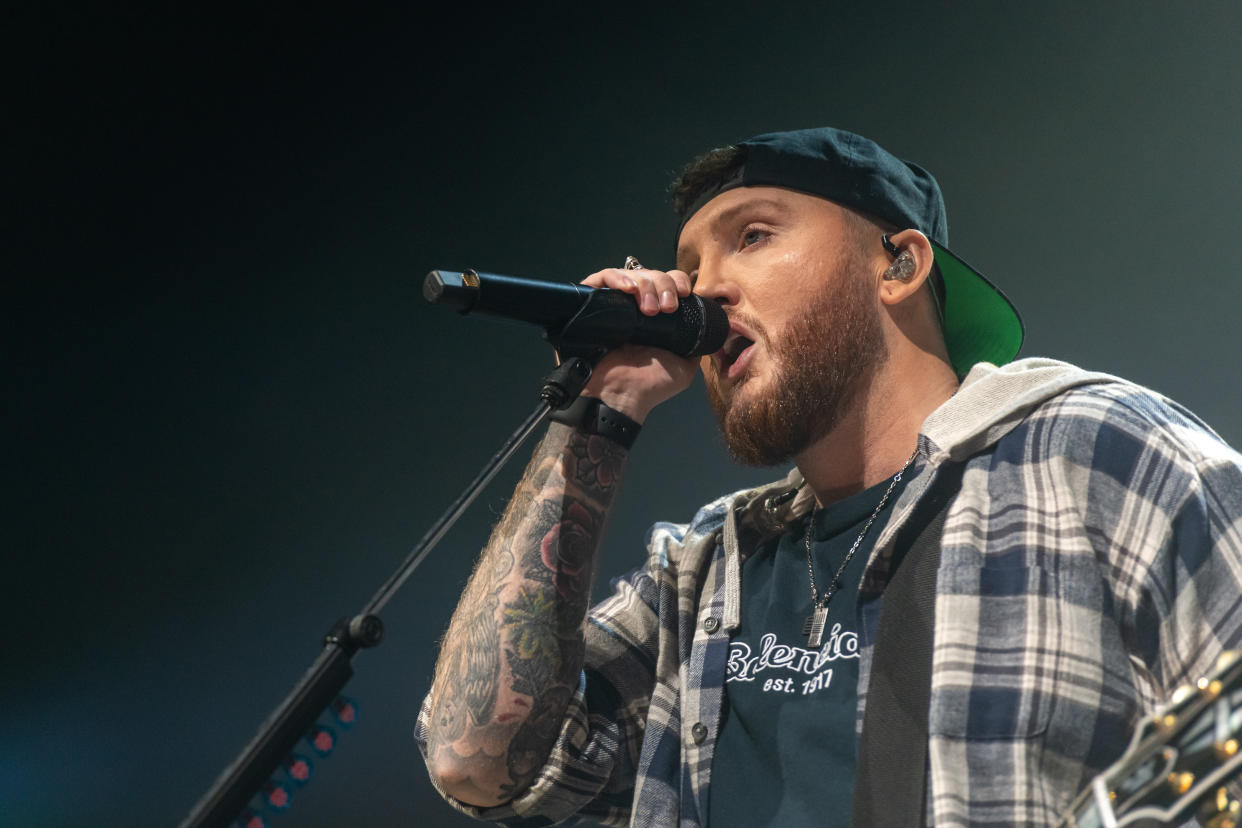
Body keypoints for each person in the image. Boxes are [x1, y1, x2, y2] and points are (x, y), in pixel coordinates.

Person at [415, 127, 1242, 826]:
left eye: (753, 236)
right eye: (692, 264)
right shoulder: (709, 569)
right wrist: (600, 410)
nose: (704, 290)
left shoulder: (1093, 455)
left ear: (899, 265)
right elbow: (476, 762)